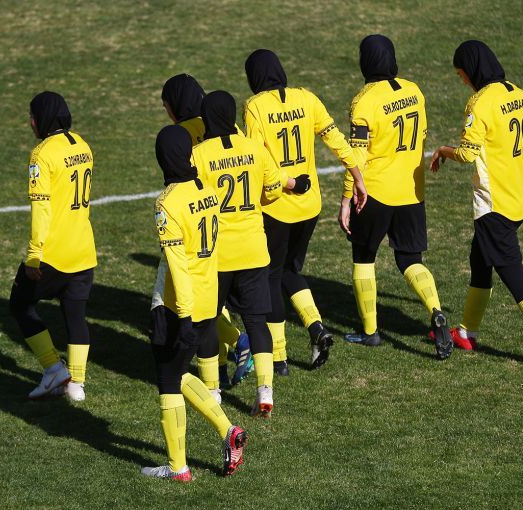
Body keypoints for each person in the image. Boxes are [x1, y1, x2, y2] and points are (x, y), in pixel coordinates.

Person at [429, 40, 523, 369]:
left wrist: (442, 151)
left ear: (472, 69)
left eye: (461, 74)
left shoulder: (479, 103)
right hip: (516, 200)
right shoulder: (520, 95)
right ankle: (466, 333)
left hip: (493, 206)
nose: (462, 80)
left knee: (514, 275)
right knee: (479, 261)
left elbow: (467, 154)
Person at [244, 49, 367, 375]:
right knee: (290, 269)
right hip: (310, 205)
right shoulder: (307, 98)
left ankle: (279, 358)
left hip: (277, 206)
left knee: (271, 276)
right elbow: (337, 139)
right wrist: (357, 177)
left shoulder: (255, 107)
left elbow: (257, 157)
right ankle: (315, 326)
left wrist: (284, 183)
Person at [192, 90, 310, 416]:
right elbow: (272, 190)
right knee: (257, 322)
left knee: (207, 321)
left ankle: (213, 391)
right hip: (254, 249)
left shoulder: (198, 154)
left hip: (217, 254)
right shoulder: (255, 148)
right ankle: (265, 391)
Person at [141, 125, 247, 481]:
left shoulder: (166, 203)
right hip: (208, 297)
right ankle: (228, 431)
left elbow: (177, 264)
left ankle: (178, 467)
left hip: (180, 304)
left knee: (167, 378)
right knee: (179, 371)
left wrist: (182, 316)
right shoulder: (207, 190)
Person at [339, 35, 453, 358]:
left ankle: (370, 333)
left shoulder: (363, 102)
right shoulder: (414, 91)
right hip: (411, 192)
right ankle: (436, 311)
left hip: (374, 193)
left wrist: (347, 197)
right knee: (410, 260)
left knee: (364, 257)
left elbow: (357, 156)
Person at [152, 74, 253, 395]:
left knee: (193, 301)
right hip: (231, 221)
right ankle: (226, 361)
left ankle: (231, 350)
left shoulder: (178, 135)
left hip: (192, 220)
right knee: (212, 298)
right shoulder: (225, 124)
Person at [9, 91, 96, 401]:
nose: (31, 123)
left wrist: (35, 254)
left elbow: (42, 207)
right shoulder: (82, 145)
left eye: (32, 117)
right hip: (84, 249)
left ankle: (53, 368)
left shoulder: (42, 154)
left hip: (54, 254)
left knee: (20, 303)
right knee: (75, 315)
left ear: (41, 119)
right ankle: (77, 385)